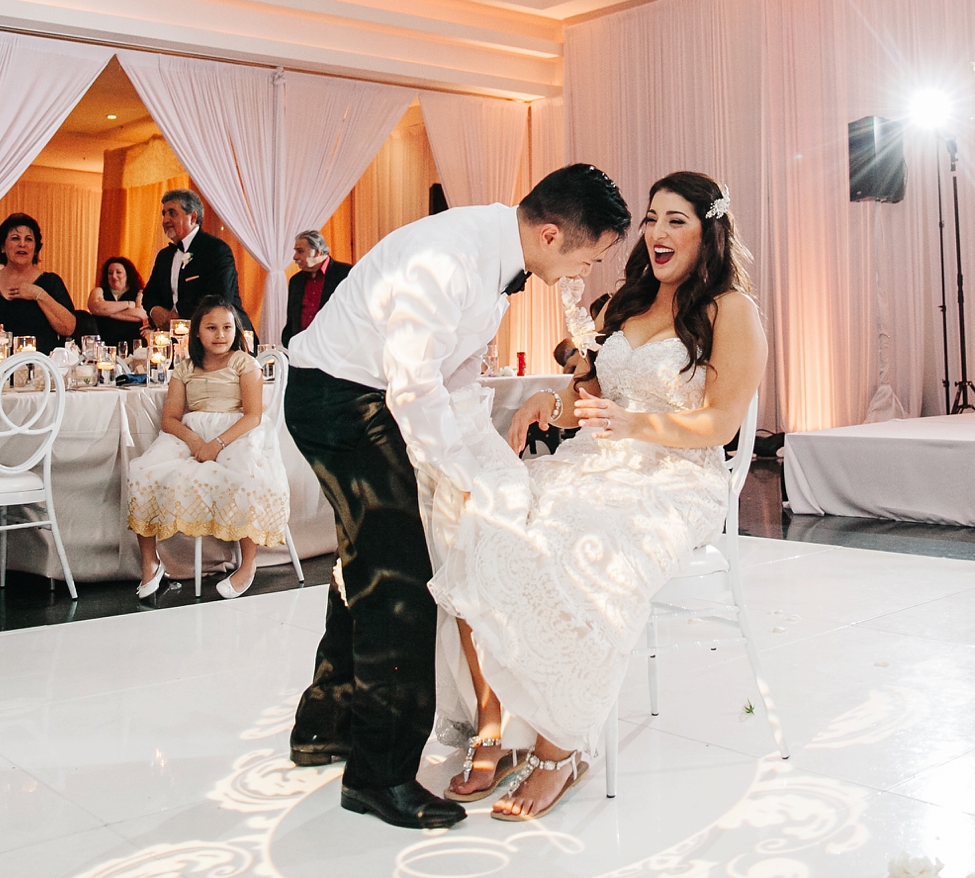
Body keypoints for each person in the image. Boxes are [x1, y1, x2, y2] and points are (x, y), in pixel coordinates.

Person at [282, 161, 630, 833]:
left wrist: (495, 470)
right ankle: (379, 776)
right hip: (340, 398)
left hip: (365, 394)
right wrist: (470, 481)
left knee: (366, 557)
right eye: (587, 257)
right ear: (553, 235)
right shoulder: (451, 259)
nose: (582, 273)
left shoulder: (497, 265)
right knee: (403, 577)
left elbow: (459, 387)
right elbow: (414, 390)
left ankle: (326, 723)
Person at [433, 173, 765, 821]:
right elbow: (583, 400)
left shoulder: (732, 311)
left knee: (570, 545)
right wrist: (545, 403)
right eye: (651, 219)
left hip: (674, 478)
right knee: (483, 520)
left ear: (709, 231)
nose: (659, 233)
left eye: (676, 220)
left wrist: (635, 424)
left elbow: (720, 425)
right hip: (594, 461)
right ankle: (495, 726)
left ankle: (560, 751)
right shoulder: (621, 304)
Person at [125, 297, 289, 600]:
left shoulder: (244, 362)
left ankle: (248, 564)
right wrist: (195, 441)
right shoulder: (185, 367)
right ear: (197, 333)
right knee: (141, 471)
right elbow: (169, 419)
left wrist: (217, 443)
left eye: (227, 327)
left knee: (245, 476)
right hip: (192, 433)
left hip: (236, 432)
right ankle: (150, 562)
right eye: (211, 328)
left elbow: (253, 414)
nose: (220, 335)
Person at [0, 214, 77, 354]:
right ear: (3, 247)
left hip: (41, 369)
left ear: (35, 249)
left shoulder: (50, 282)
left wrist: (38, 294)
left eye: (28, 239)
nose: (22, 244)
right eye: (15, 238)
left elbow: (68, 327)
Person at [142, 191, 248, 340]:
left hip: (221, 338)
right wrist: (155, 310)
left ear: (192, 217)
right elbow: (149, 294)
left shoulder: (216, 250)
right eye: (164, 214)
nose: (165, 220)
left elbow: (220, 296)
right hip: (177, 341)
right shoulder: (164, 256)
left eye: (172, 213)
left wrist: (178, 312)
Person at [282, 230, 352, 345]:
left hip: (336, 349)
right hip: (303, 352)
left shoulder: (345, 274)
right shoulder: (296, 281)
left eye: (300, 251)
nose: (295, 257)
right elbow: (292, 322)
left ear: (317, 252)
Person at [83, 254, 149, 346]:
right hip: (103, 344)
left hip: (132, 345)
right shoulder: (98, 291)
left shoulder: (139, 293)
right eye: (110, 273)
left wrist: (106, 311)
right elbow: (96, 308)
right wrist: (128, 304)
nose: (114, 276)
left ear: (127, 274)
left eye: (118, 272)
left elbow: (141, 314)